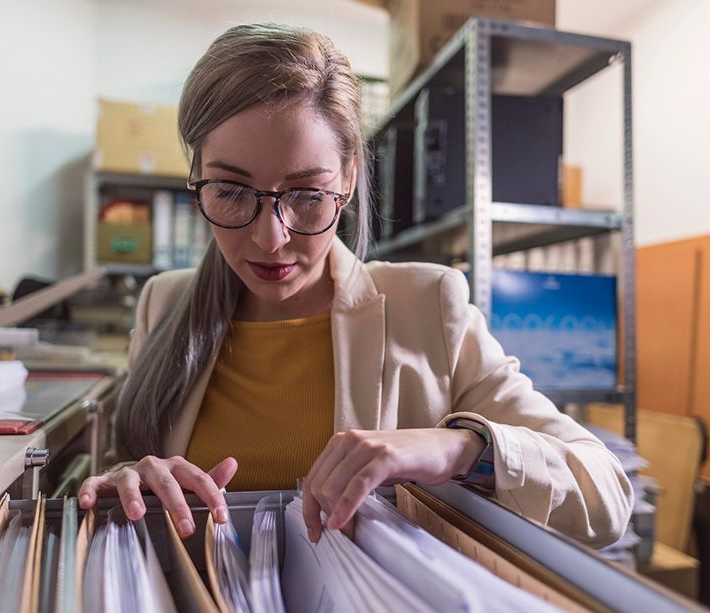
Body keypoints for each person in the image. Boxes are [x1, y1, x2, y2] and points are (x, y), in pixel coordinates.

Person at [78, 23, 633, 547]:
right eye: (230, 190)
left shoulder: (428, 306)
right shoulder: (164, 304)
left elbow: (605, 494)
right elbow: (116, 471)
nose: (271, 239)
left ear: (346, 178)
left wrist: (461, 447)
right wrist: (126, 480)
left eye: (307, 195)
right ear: (195, 175)